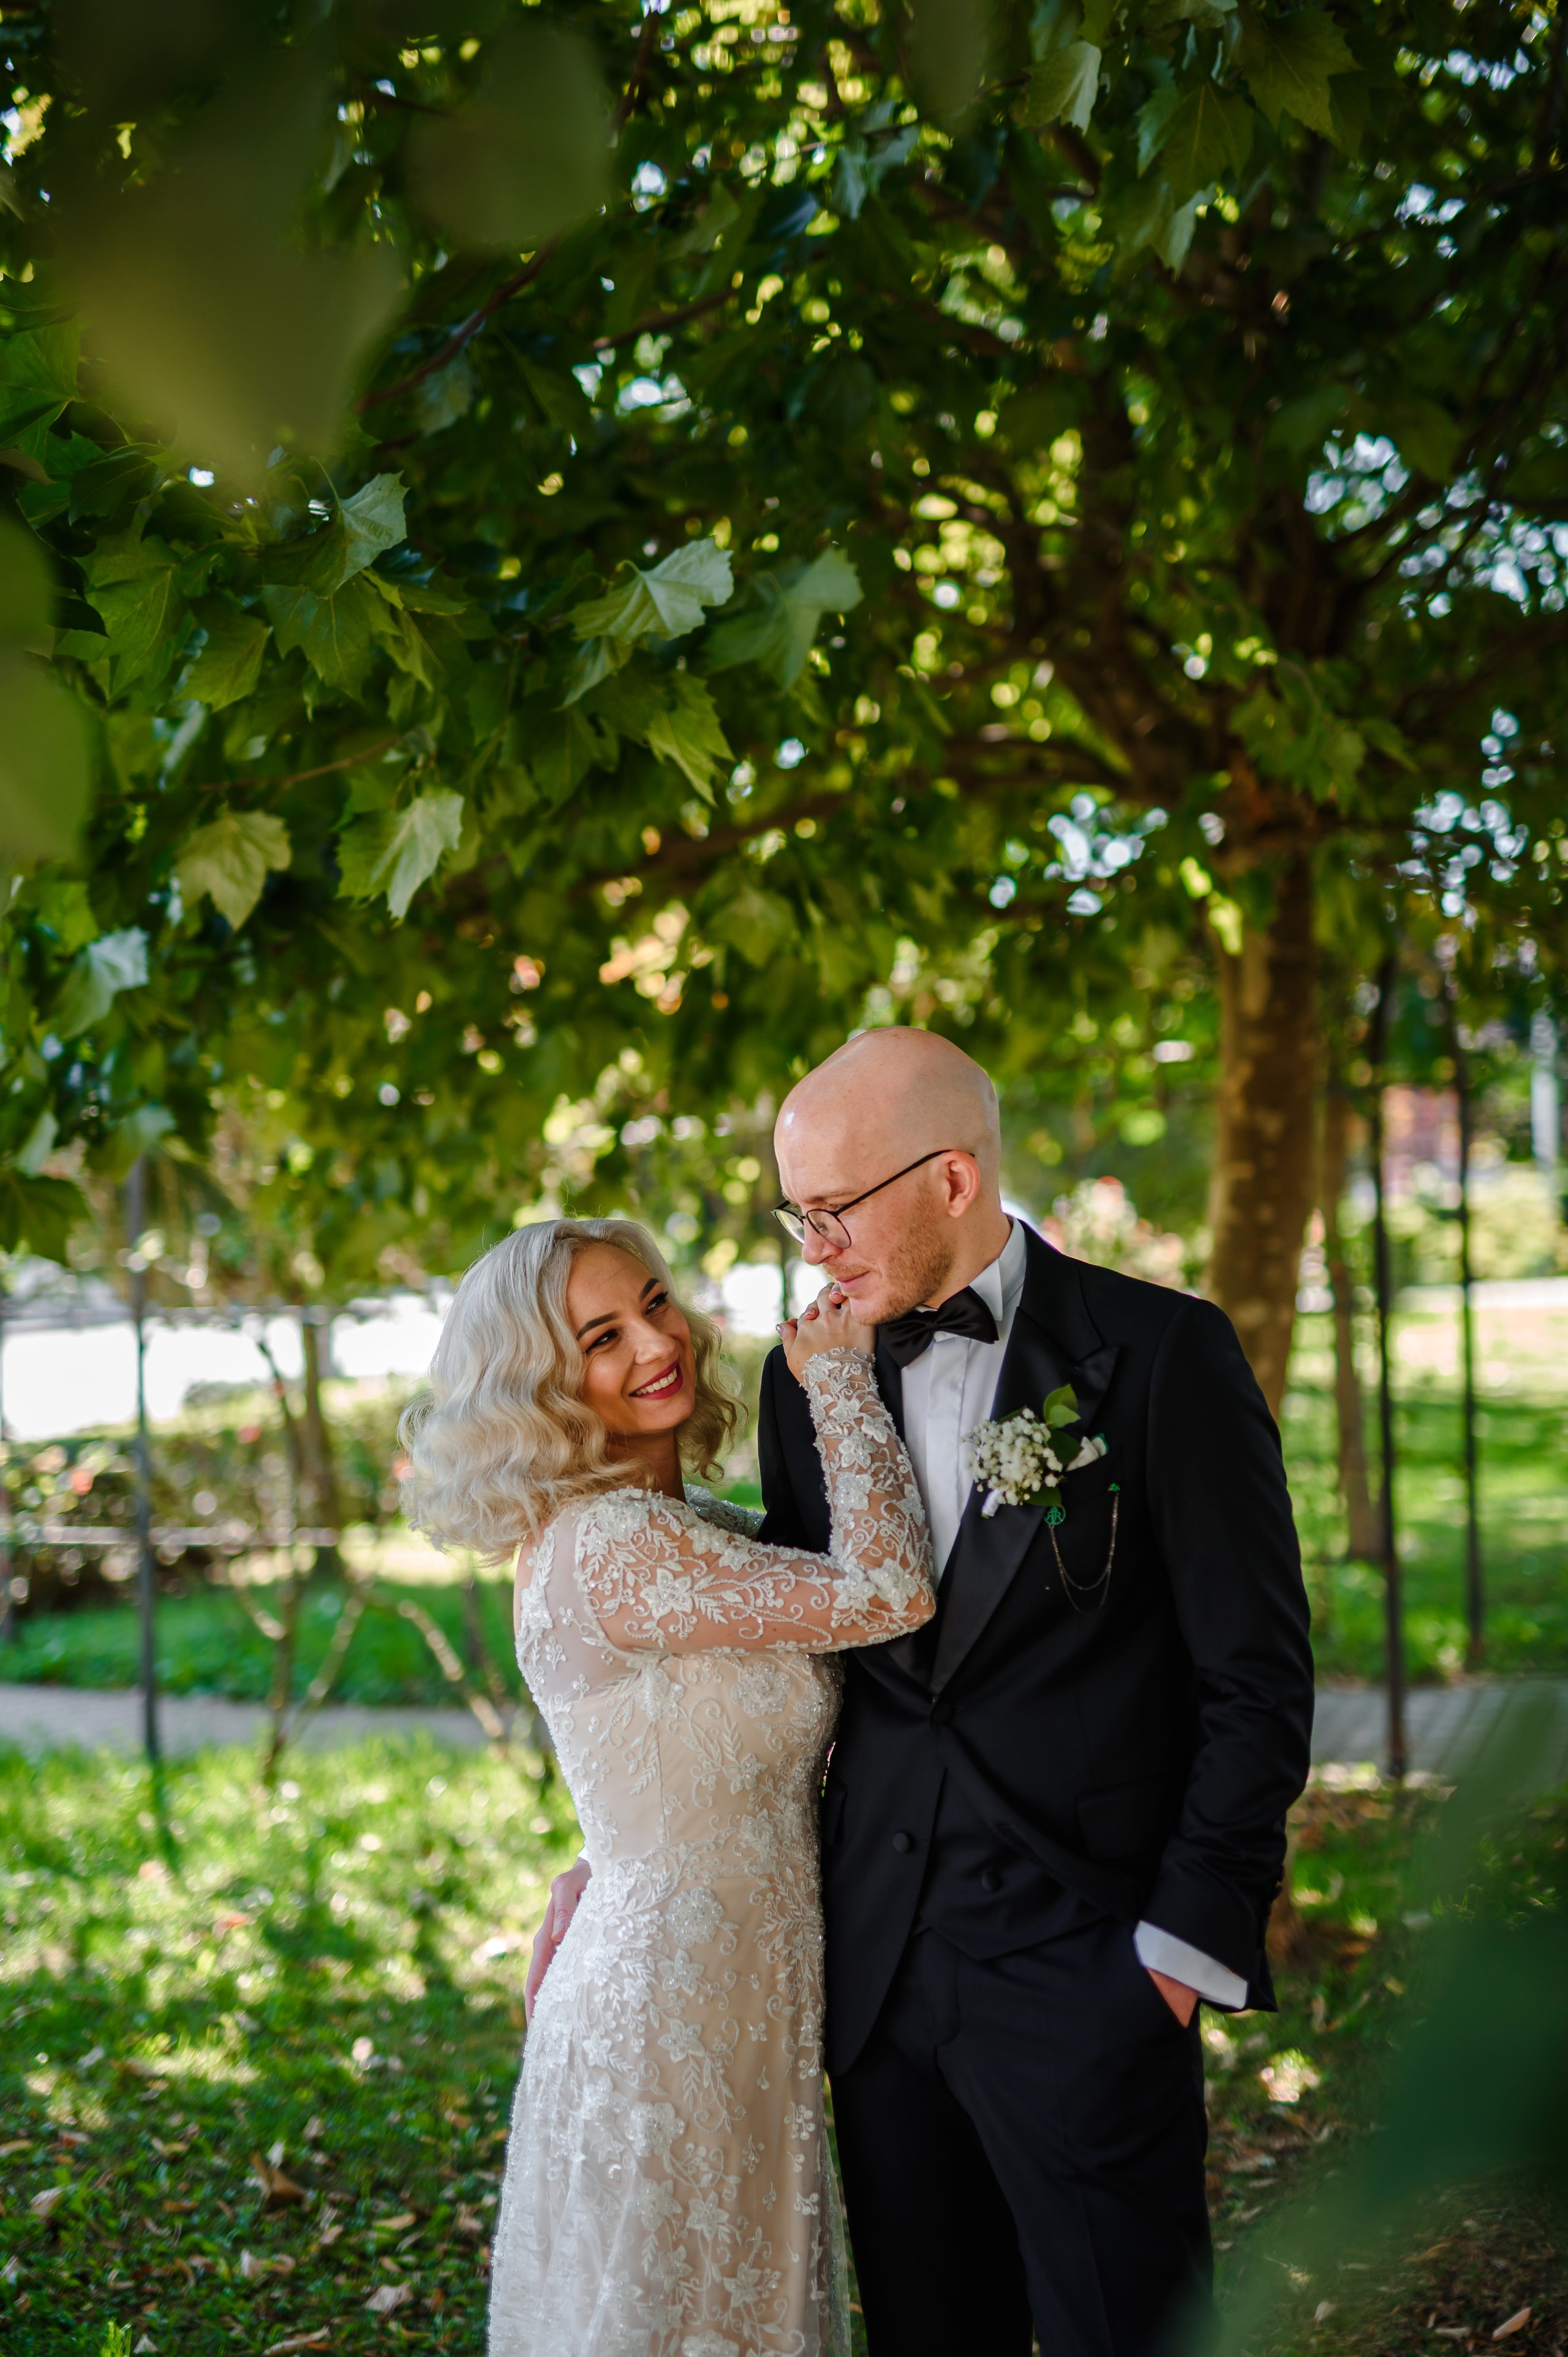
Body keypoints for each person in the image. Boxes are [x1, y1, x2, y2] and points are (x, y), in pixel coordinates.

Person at [533, 1032, 1314, 2357]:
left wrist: (1177, 1952)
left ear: (950, 1178)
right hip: (874, 1976)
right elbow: (793, 1642)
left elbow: (1253, 1679)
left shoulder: (1160, 1353)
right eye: (797, 1214)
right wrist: (610, 1850)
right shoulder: (804, 1379)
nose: (813, 1246)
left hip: (1092, 1967)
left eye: (832, 1209)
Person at [400, 1215, 934, 2357]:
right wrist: (839, 1379)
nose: (656, 1343)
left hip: (737, 1980)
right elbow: (887, 1588)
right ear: (543, 1386)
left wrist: (599, 1852)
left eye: (654, 1302)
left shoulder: (681, 1531)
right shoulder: (612, 1547)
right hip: (672, 2005)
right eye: (601, 1336)